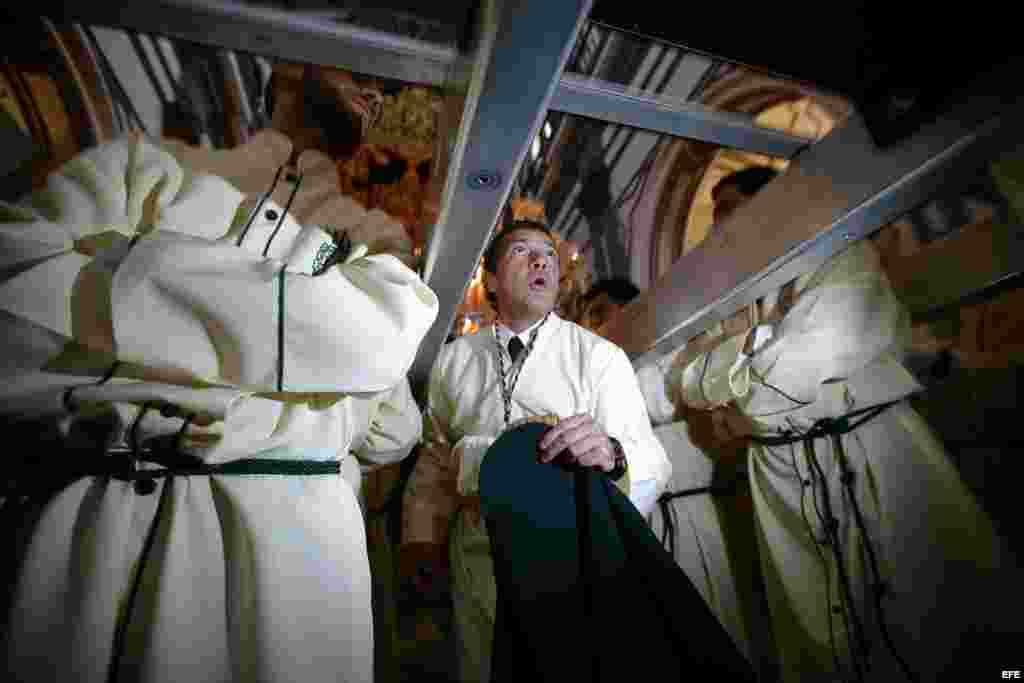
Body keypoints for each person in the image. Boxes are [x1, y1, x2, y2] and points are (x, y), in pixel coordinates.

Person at [0, 132, 438, 683]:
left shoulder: (364, 252)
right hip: (97, 537)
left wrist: (137, 305)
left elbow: (391, 403)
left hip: (292, 570)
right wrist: (291, 386)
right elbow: (14, 305)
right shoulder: (138, 169)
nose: (372, 101)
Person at [640, 165, 1024, 682]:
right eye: (718, 215)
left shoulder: (834, 256)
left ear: (771, 207)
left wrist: (729, 370)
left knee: (931, 616)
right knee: (823, 637)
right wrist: (748, 353)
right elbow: (671, 386)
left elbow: (806, 354)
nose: (719, 227)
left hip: (870, 452)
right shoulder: (722, 307)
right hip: (781, 481)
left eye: (732, 207)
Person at [411, 217, 672, 682]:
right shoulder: (455, 360)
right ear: (489, 279)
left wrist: (613, 454)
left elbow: (651, 458)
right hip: (477, 556)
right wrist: (421, 542)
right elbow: (433, 461)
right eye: (521, 251)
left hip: (568, 561)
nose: (540, 261)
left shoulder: (597, 357)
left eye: (548, 254)